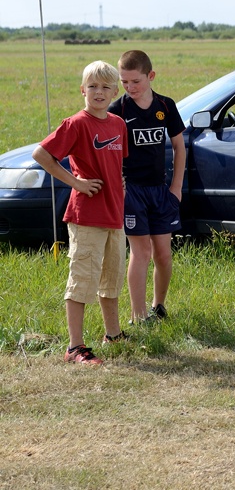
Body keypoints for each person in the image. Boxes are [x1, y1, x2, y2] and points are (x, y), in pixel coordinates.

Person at [32, 61, 128, 364]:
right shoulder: (77, 123)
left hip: (115, 214)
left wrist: (119, 184)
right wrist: (76, 182)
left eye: (105, 87)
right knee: (82, 280)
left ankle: (113, 334)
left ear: (115, 90)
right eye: (93, 86)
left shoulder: (118, 123)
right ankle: (75, 347)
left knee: (111, 279)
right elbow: (42, 154)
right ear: (82, 90)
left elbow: (116, 164)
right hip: (87, 216)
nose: (99, 92)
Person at [111, 50, 186, 323]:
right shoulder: (117, 109)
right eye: (124, 82)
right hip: (132, 191)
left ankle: (159, 305)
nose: (130, 88)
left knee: (163, 255)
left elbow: (179, 146)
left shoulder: (165, 106)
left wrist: (176, 187)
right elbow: (106, 147)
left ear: (150, 76)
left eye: (136, 81)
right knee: (140, 253)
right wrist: (115, 181)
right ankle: (138, 315)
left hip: (160, 190)